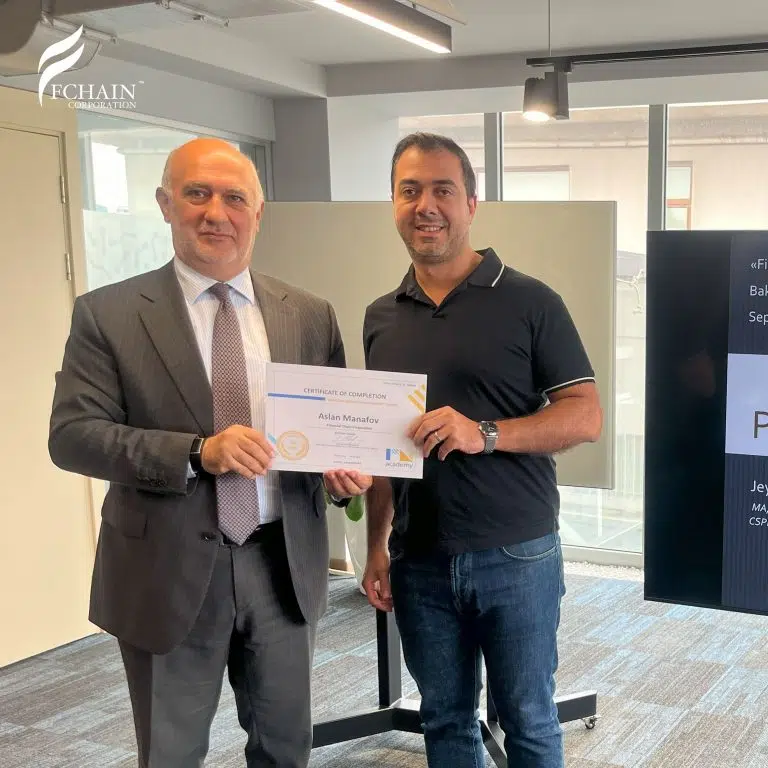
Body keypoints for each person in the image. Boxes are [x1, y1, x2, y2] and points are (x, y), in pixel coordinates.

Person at [49, 138, 370, 768]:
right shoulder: (108, 314)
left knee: (285, 748)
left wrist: (340, 474)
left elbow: (327, 436)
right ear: (165, 204)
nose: (216, 213)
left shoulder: (309, 314)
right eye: (197, 194)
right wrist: (197, 453)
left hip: (282, 565)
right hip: (165, 570)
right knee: (171, 753)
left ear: (258, 212)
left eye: (234, 198)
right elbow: (73, 435)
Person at [361, 132, 602, 768]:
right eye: (410, 190)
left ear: (471, 203)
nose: (426, 205)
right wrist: (376, 545)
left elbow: (586, 415)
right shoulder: (381, 317)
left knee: (528, 720)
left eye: (443, 189)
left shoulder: (531, 301)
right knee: (445, 720)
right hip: (419, 559)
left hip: (516, 553)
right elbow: (387, 450)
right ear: (394, 204)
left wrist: (485, 433)